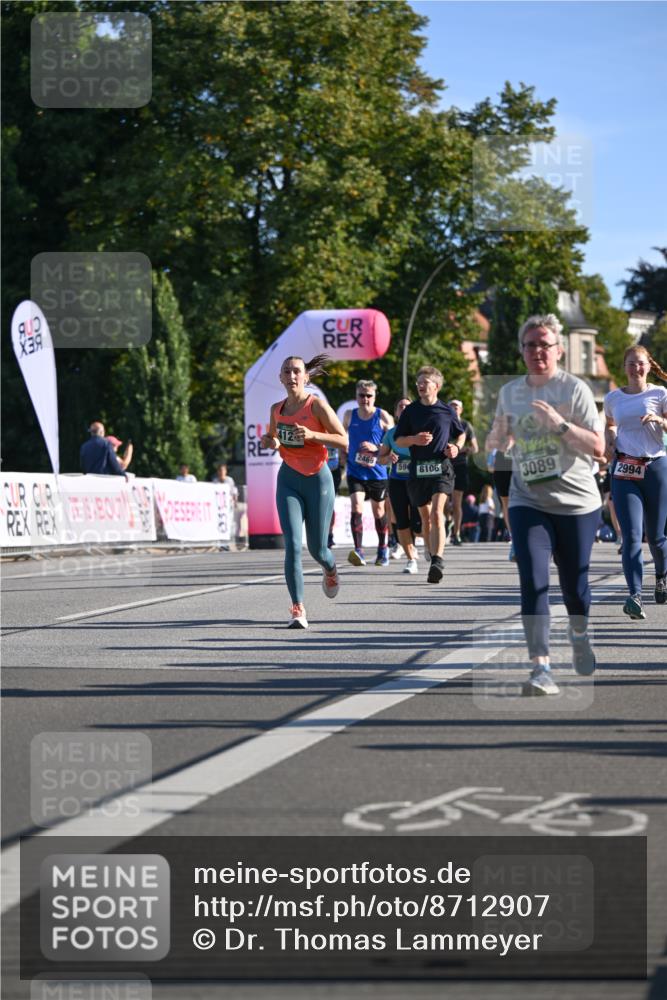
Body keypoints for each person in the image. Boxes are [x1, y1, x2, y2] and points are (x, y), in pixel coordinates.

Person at [487, 314, 604, 696]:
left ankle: (580, 633)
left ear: (558, 350)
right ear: (522, 350)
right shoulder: (509, 393)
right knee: (533, 580)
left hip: (576, 503)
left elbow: (600, 448)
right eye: (530, 344)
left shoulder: (576, 390)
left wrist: (559, 424)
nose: (538, 351)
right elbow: (501, 436)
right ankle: (541, 667)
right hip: (528, 500)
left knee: (575, 589)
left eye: (545, 344)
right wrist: (498, 440)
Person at [259, 354, 347, 629]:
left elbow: (344, 439)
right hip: (288, 479)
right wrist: (270, 441)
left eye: (297, 371)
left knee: (318, 549)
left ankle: (330, 569)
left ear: (306, 377)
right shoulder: (276, 409)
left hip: (318, 480)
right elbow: (274, 438)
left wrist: (313, 435)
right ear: (281, 378)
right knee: (293, 546)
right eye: (287, 371)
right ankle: (298, 607)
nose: (293, 376)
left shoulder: (316, 406)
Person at [603, 345, 667, 619]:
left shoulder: (660, 393)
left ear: (649, 366)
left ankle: (662, 576)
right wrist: (609, 436)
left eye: (640, 363)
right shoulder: (613, 398)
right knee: (630, 536)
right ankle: (634, 595)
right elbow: (609, 422)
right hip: (625, 468)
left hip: (656, 467)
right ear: (624, 366)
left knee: (656, 536)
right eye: (631, 363)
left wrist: (659, 420)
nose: (636, 368)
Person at [394, 366, 465, 584]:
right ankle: (430, 547)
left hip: (441, 469)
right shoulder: (411, 411)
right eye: (419, 383)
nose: (421, 386)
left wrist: (456, 448)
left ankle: (438, 560)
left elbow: (460, 434)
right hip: (418, 470)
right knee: (425, 517)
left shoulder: (447, 411)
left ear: (437, 386)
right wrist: (414, 440)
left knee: (436, 513)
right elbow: (398, 440)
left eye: (425, 382)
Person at [342, 379, 393, 567]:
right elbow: (341, 437)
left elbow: (394, 443)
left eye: (368, 396)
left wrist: (376, 447)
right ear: (356, 396)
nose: (365, 399)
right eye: (361, 395)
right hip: (355, 470)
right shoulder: (349, 415)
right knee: (356, 508)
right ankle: (358, 551)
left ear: (374, 396)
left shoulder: (383, 416)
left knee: (378, 511)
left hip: (377, 473)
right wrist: (342, 454)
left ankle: (383, 548)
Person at [378, 397, 421, 574]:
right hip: (397, 481)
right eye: (400, 407)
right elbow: (380, 459)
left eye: (407, 407)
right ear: (395, 412)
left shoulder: (420, 432)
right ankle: (411, 559)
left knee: (418, 524)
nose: (403, 409)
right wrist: (387, 459)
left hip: (418, 481)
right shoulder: (390, 434)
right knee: (401, 519)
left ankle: (429, 548)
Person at [448, 399, 479, 545]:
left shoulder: (466, 425)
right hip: (444, 465)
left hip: (460, 465)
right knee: (441, 501)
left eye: (456, 406)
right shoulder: (443, 422)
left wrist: (466, 449)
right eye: (451, 406)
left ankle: (457, 533)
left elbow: (475, 448)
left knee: (456, 502)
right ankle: (448, 521)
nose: (454, 408)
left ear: (461, 410)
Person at [326, 444, 342, 548]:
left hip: (334, 471)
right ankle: (320, 535)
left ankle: (329, 535)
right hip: (317, 471)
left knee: (329, 504)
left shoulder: (337, 428)